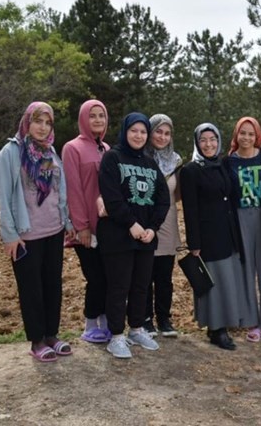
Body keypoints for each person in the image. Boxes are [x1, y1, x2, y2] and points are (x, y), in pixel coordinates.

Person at [0, 102, 75, 362]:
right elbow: (4, 197)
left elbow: (58, 192)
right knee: (32, 289)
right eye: (38, 121)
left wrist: (67, 222)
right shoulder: (11, 153)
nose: (42, 127)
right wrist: (10, 234)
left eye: (48, 122)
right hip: (26, 235)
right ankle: (37, 340)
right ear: (27, 122)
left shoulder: (51, 152)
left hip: (53, 230)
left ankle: (51, 335)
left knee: (53, 285)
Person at [97, 112, 169, 359]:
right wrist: (131, 224)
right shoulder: (112, 158)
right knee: (119, 286)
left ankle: (136, 329)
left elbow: (163, 198)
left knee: (141, 286)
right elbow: (112, 197)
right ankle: (116, 336)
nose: (138, 136)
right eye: (134, 131)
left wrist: (153, 227)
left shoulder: (150, 163)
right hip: (118, 237)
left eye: (142, 132)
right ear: (125, 132)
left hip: (146, 237)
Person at [180, 123, 251, 351]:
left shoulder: (221, 165)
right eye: (203, 140)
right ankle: (216, 328)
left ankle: (221, 326)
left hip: (227, 232)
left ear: (218, 140)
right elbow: (190, 209)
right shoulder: (191, 170)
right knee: (213, 283)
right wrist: (194, 243)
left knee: (226, 280)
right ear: (196, 143)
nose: (209, 144)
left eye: (212, 139)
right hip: (207, 235)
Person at [222, 117, 261, 344]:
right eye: (242, 133)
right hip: (239, 219)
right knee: (245, 271)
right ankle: (251, 322)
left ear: (257, 135)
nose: (246, 138)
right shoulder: (228, 161)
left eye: (250, 133)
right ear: (236, 135)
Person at [62, 99, 111, 344]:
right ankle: (90, 324)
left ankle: (105, 322)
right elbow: (73, 189)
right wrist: (81, 225)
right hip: (86, 228)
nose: (98, 120)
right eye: (92, 116)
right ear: (83, 118)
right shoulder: (72, 148)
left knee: (108, 275)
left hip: (108, 227)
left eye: (101, 115)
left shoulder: (107, 148)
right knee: (95, 276)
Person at [143, 114, 182, 337]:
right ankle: (145, 319)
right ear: (150, 132)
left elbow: (176, 195)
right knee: (144, 277)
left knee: (164, 277)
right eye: (158, 131)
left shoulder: (176, 161)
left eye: (167, 133)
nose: (162, 137)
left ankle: (164, 319)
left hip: (167, 224)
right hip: (144, 224)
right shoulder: (140, 156)